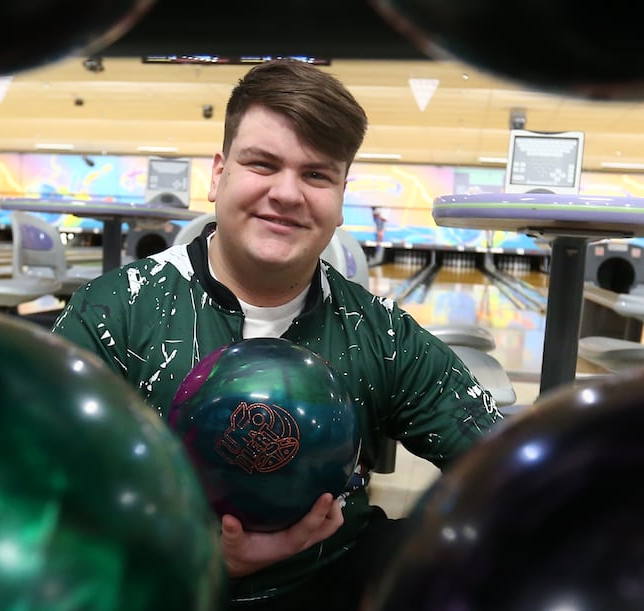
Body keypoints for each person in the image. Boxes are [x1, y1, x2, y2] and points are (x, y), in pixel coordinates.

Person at [52, 59, 503, 610]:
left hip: (335, 568)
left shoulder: (379, 331)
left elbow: (504, 467)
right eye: (262, 164)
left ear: (341, 194)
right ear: (218, 174)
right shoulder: (115, 311)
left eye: (316, 174)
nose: (287, 194)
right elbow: (33, 488)